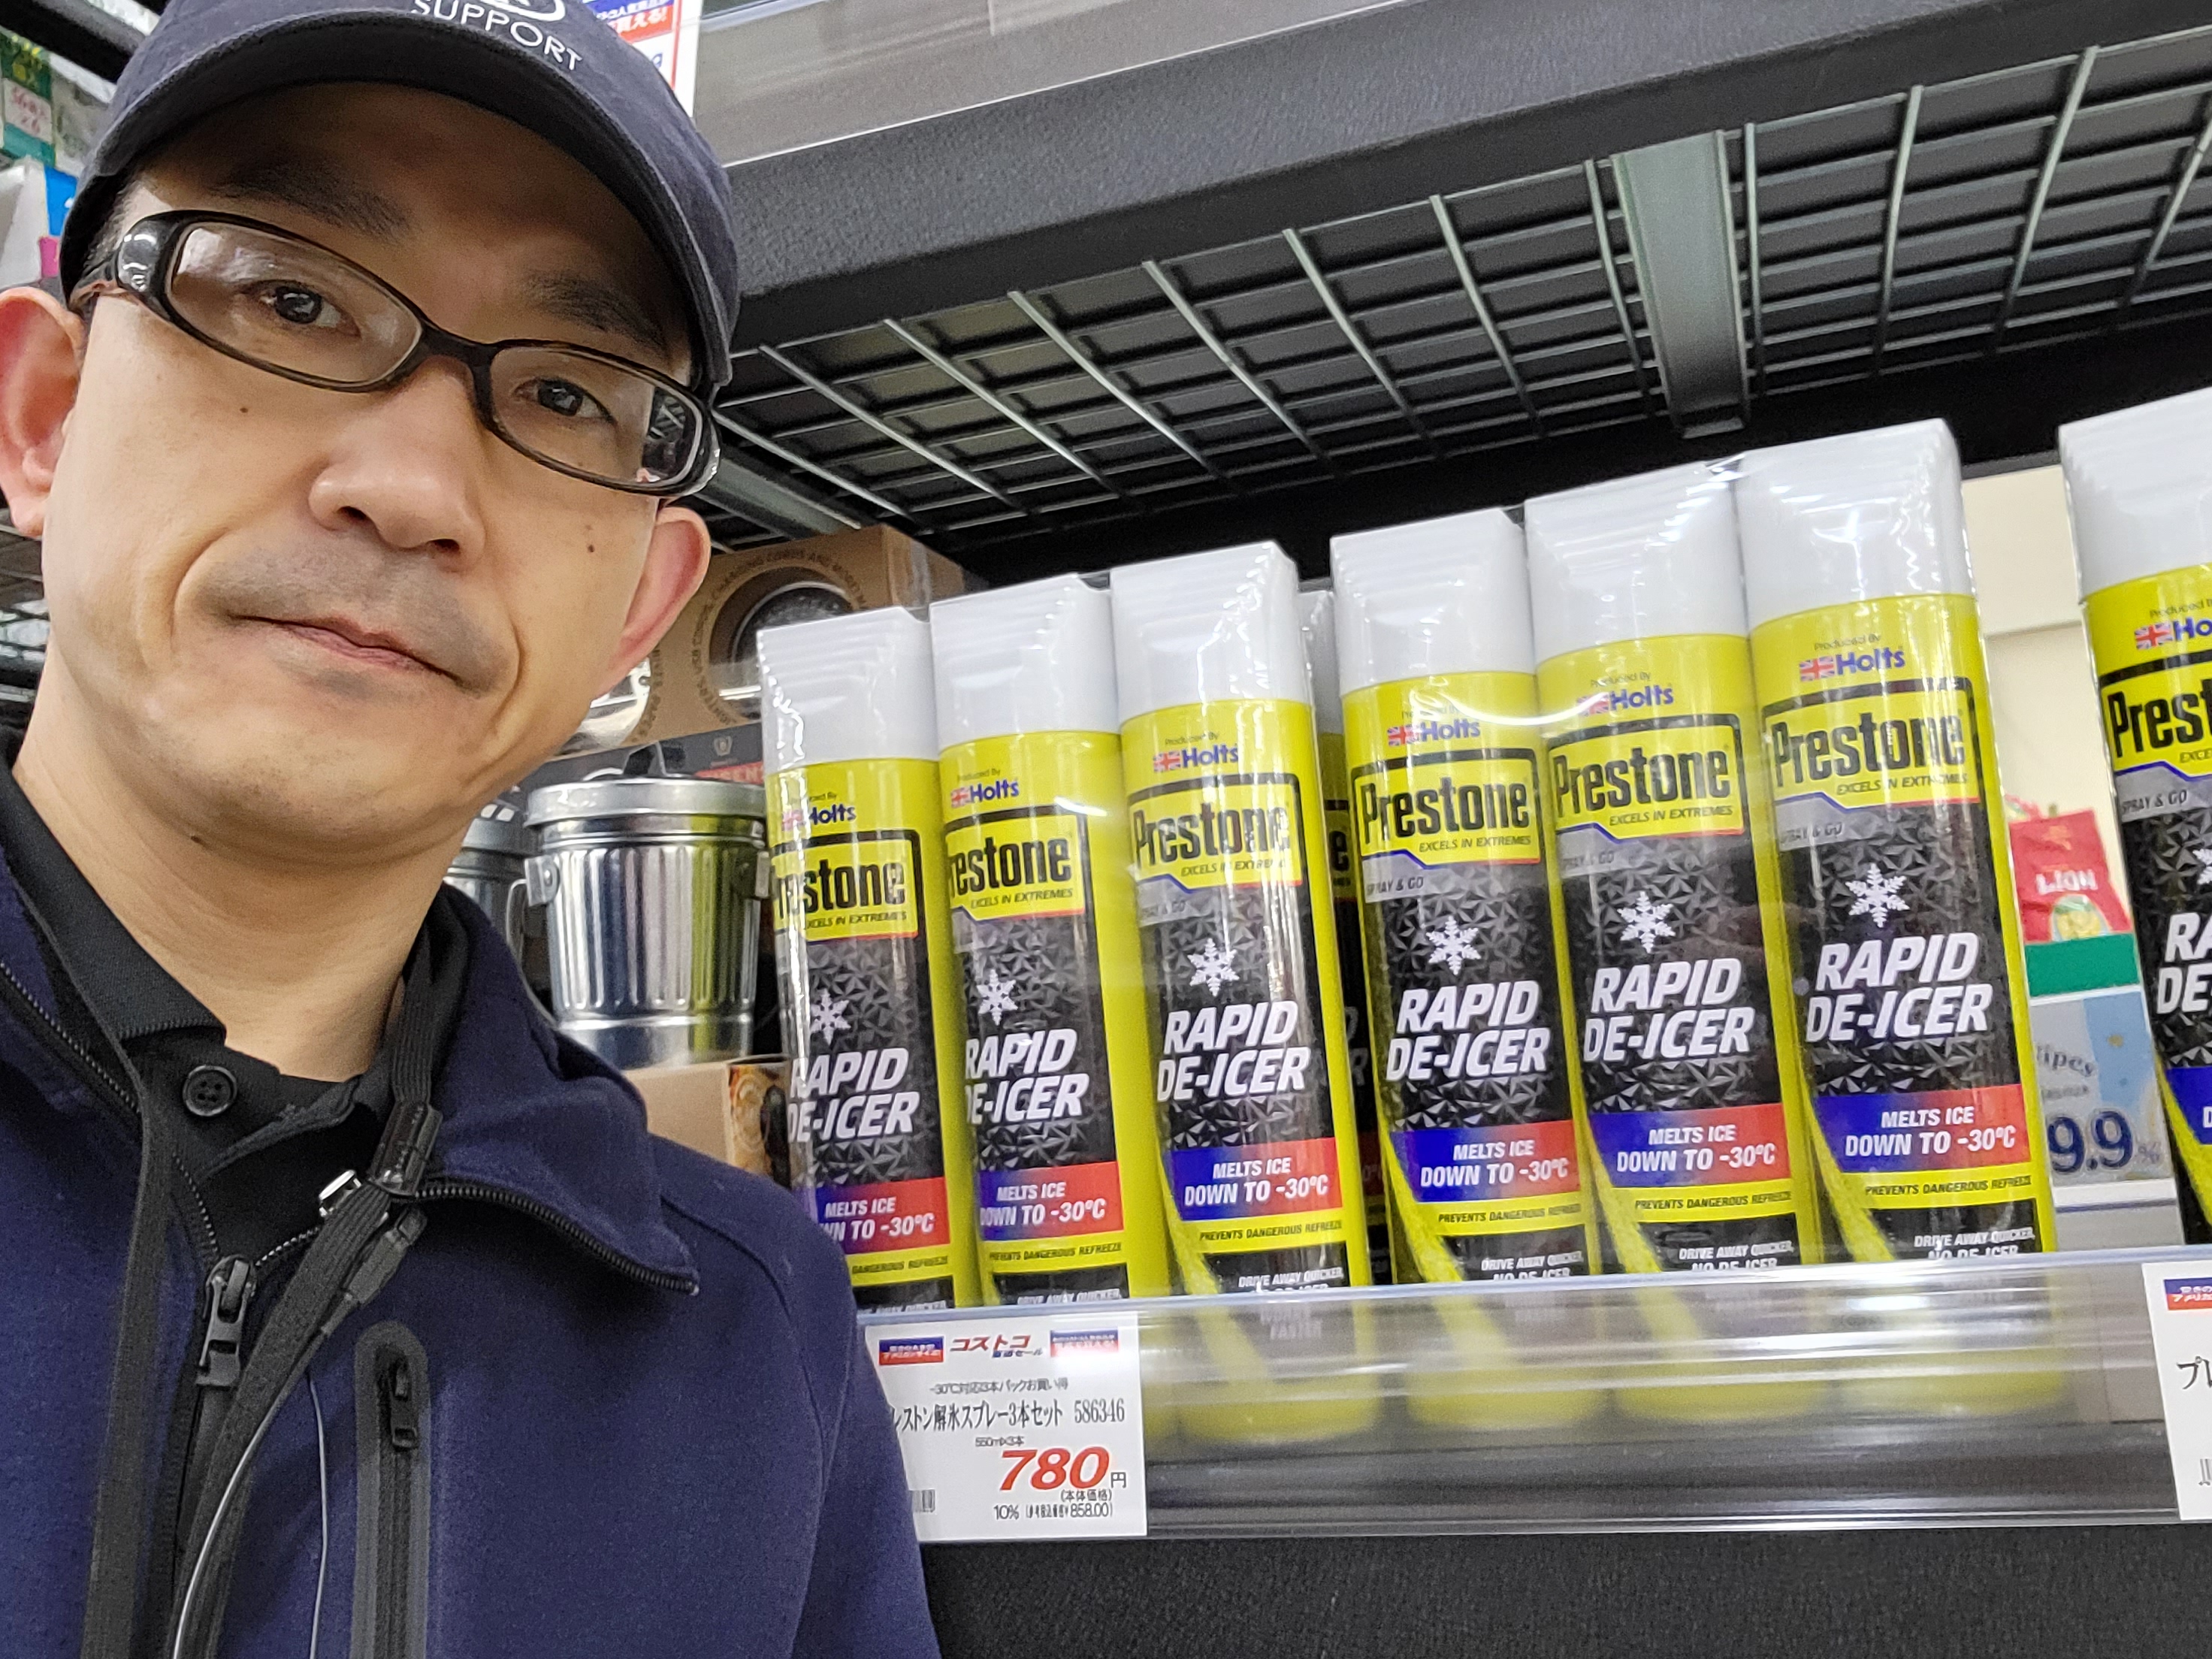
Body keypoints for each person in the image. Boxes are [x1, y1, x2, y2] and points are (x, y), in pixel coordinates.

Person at [0, 0, 939, 1654]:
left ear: (641, 606)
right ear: (43, 419)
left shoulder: (746, 1331)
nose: (414, 488)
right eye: (292, 298)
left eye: (567, 395)